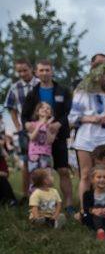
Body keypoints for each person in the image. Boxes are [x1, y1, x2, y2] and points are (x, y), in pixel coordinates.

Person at [22, 60, 73, 214]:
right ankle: (36, 204)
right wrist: (27, 125)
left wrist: (59, 124)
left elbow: (68, 111)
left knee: (63, 170)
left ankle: (69, 204)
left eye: (47, 70)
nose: (44, 73)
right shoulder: (32, 93)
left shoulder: (62, 91)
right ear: (37, 73)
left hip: (58, 136)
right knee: (38, 173)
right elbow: (24, 116)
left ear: (52, 71)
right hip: (39, 141)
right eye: (41, 70)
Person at [69, 60, 105, 207]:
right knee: (85, 174)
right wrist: (90, 118)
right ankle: (85, 209)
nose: (103, 76)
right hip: (86, 138)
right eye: (101, 73)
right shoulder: (81, 92)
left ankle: (104, 207)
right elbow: (72, 117)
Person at [4, 59, 39, 198]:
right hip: (24, 130)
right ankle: (26, 195)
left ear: (31, 69)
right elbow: (11, 109)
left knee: (41, 162)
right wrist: (18, 126)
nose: (22, 73)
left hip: (41, 129)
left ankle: (42, 193)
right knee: (26, 163)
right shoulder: (15, 87)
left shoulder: (39, 84)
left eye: (25, 70)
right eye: (19, 71)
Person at [25, 102, 61, 187]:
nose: (45, 109)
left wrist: (47, 126)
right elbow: (32, 138)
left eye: (48, 108)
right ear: (37, 112)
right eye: (42, 108)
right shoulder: (31, 125)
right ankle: (34, 198)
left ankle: (47, 198)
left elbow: (49, 141)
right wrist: (40, 125)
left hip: (46, 155)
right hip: (34, 155)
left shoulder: (53, 127)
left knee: (47, 179)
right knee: (34, 179)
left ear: (51, 113)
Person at [81, 165, 105, 241]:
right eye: (99, 177)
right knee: (88, 216)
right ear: (92, 179)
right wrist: (94, 211)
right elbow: (86, 208)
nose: (102, 179)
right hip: (94, 217)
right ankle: (100, 231)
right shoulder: (87, 194)